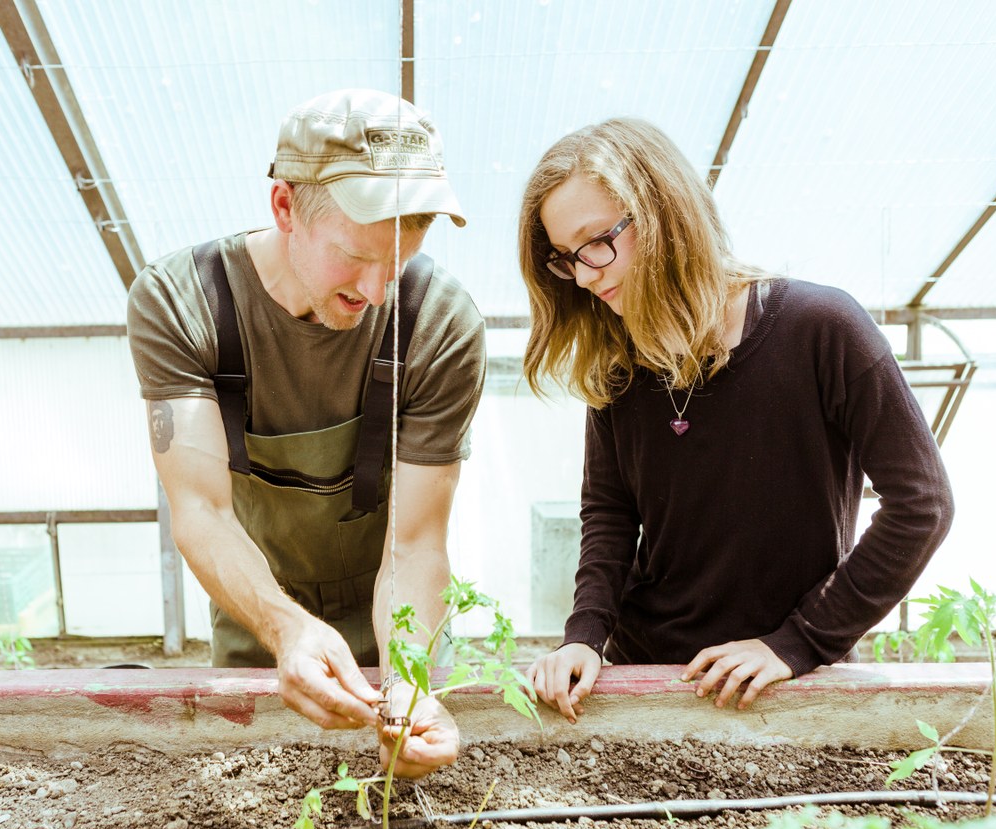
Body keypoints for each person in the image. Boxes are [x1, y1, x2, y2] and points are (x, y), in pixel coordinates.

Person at [518, 118, 954, 722]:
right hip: (650, 675)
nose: (587, 274)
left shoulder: (822, 328)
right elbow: (610, 513)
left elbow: (922, 505)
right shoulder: (615, 363)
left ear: (663, 211)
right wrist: (585, 634)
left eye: (597, 242)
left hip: (792, 684)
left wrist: (799, 641)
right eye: (567, 259)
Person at [126, 89, 486, 777]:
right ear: (285, 207)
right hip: (255, 606)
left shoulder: (441, 323)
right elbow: (200, 510)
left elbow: (413, 542)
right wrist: (286, 628)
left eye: (402, 259)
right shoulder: (182, 304)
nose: (380, 290)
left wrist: (407, 679)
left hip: (392, 613)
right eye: (355, 256)